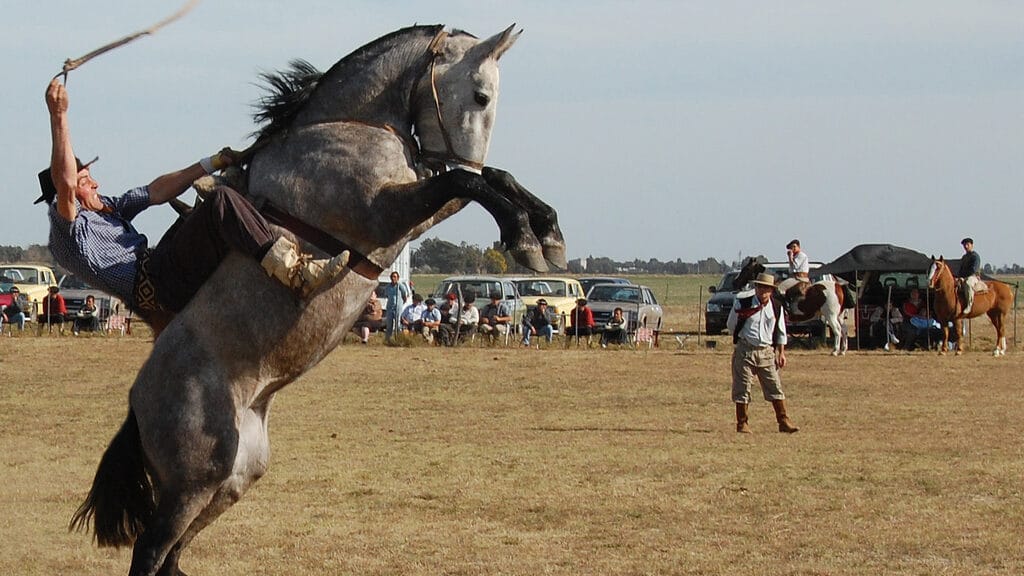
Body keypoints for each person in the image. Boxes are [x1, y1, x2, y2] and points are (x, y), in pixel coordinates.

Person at [40, 78, 348, 317]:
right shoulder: (68, 228)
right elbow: (65, 182)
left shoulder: (108, 207)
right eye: (85, 180)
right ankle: (294, 272)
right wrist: (59, 116)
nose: (94, 183)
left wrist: (211, 162)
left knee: (205, 206)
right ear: (66, 195)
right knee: (220, 202)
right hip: (157, 282)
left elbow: (156, 191)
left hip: (162, 267)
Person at [726, 272, 799, 434]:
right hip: (745, 350)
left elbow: (781, 331)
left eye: (766, 288)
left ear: (771, 290)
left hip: (766, 352)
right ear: (756, 288)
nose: (763, 291)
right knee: (742, 387)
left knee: (775, 386)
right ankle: (742, 423)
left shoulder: (776, 307)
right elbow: (731, 325)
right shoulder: (742, 303)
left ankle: (783, 421)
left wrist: (781, 352)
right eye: (760, 287)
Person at [955, 237, 982, 314]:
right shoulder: (964, 257)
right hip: (964, 277)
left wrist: (964, 278)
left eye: (967, 244)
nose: (966, 246)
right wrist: (959, 277)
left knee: (968, 284)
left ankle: (969, 305)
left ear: (972, 245)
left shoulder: (975, 256)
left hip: (973, 276)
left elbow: (974, 269)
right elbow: (961, 269)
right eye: (964, 245)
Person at [382, 271, 410, 342]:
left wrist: (401, 303)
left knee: (398, 324)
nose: (393, 278)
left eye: (395, 277)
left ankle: (398, 339)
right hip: (390, 307)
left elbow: (405, 296)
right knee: (389, 324)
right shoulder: (388, 287)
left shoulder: (400, 286)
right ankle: (388, 340)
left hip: (398, 308)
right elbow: (387, 295)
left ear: (397, 278)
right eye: (392, 277)